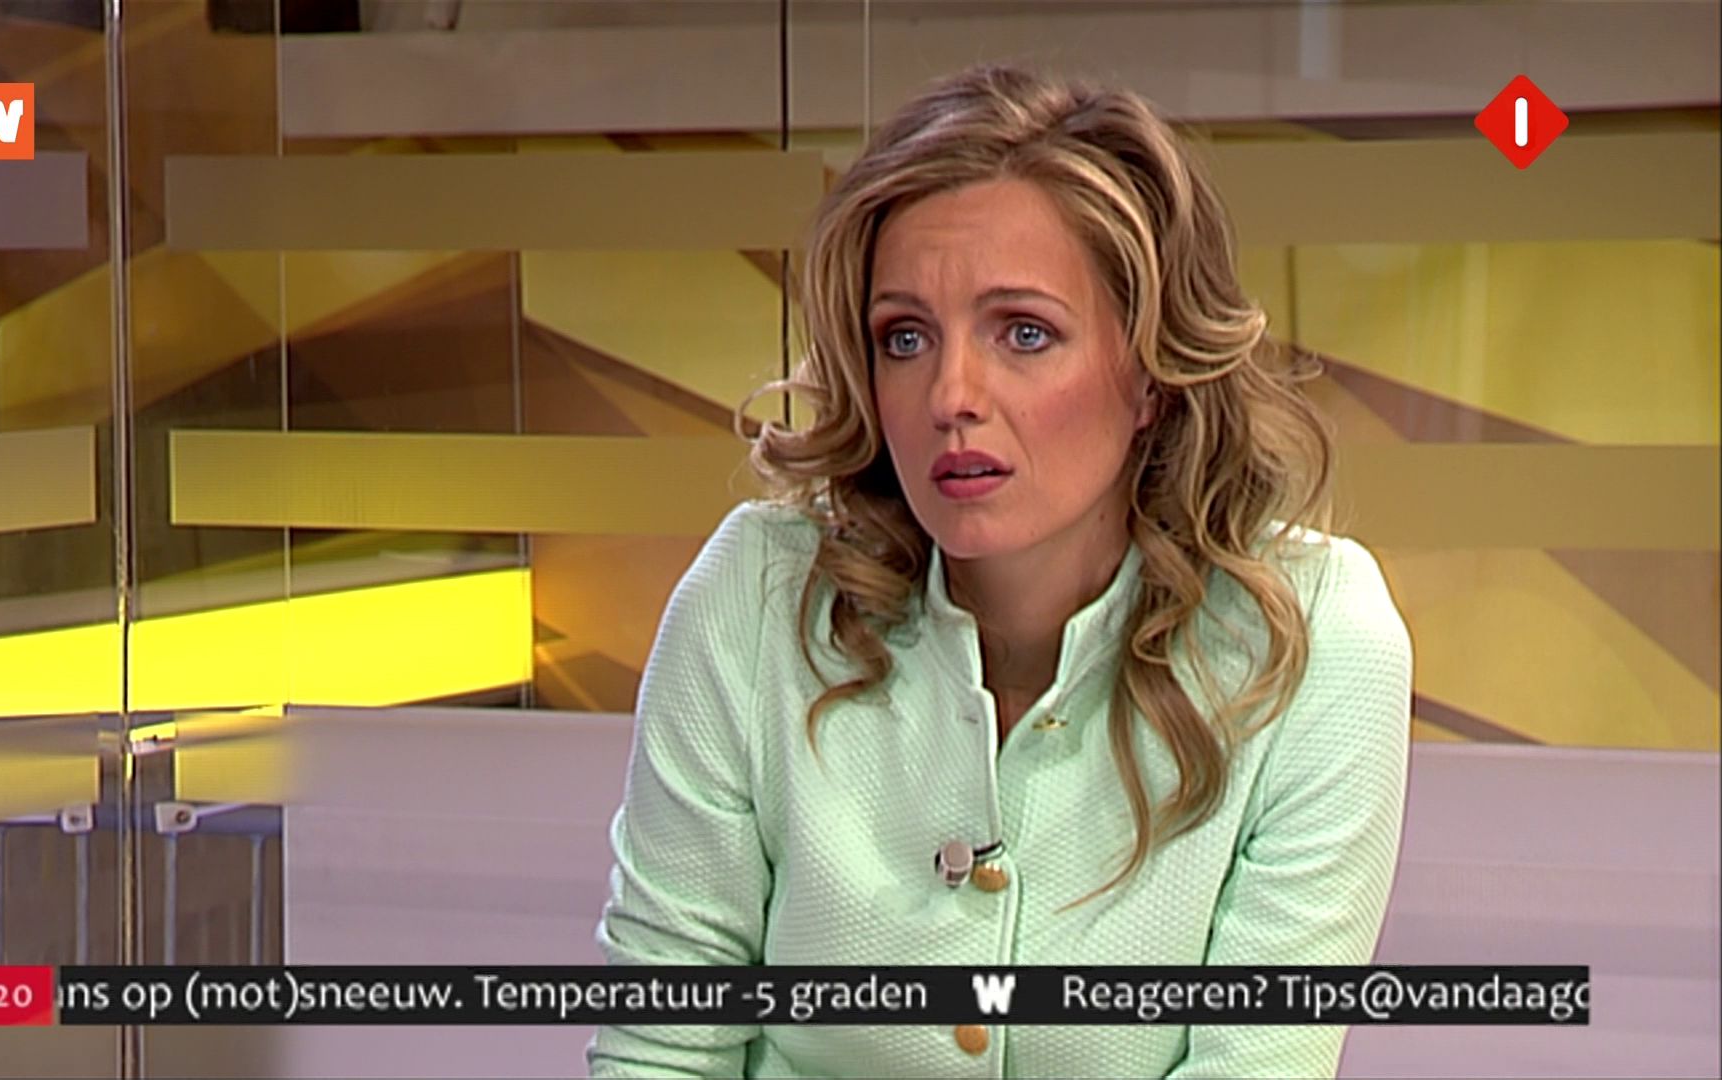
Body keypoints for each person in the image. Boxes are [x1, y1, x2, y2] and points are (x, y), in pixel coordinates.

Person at [589, 64, 1411, 1079]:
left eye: (1024, 332)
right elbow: (663, 1048)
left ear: (1152, 375)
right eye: (905, 337)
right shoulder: (756, 598)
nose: (951, 396)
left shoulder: (1314, 640)